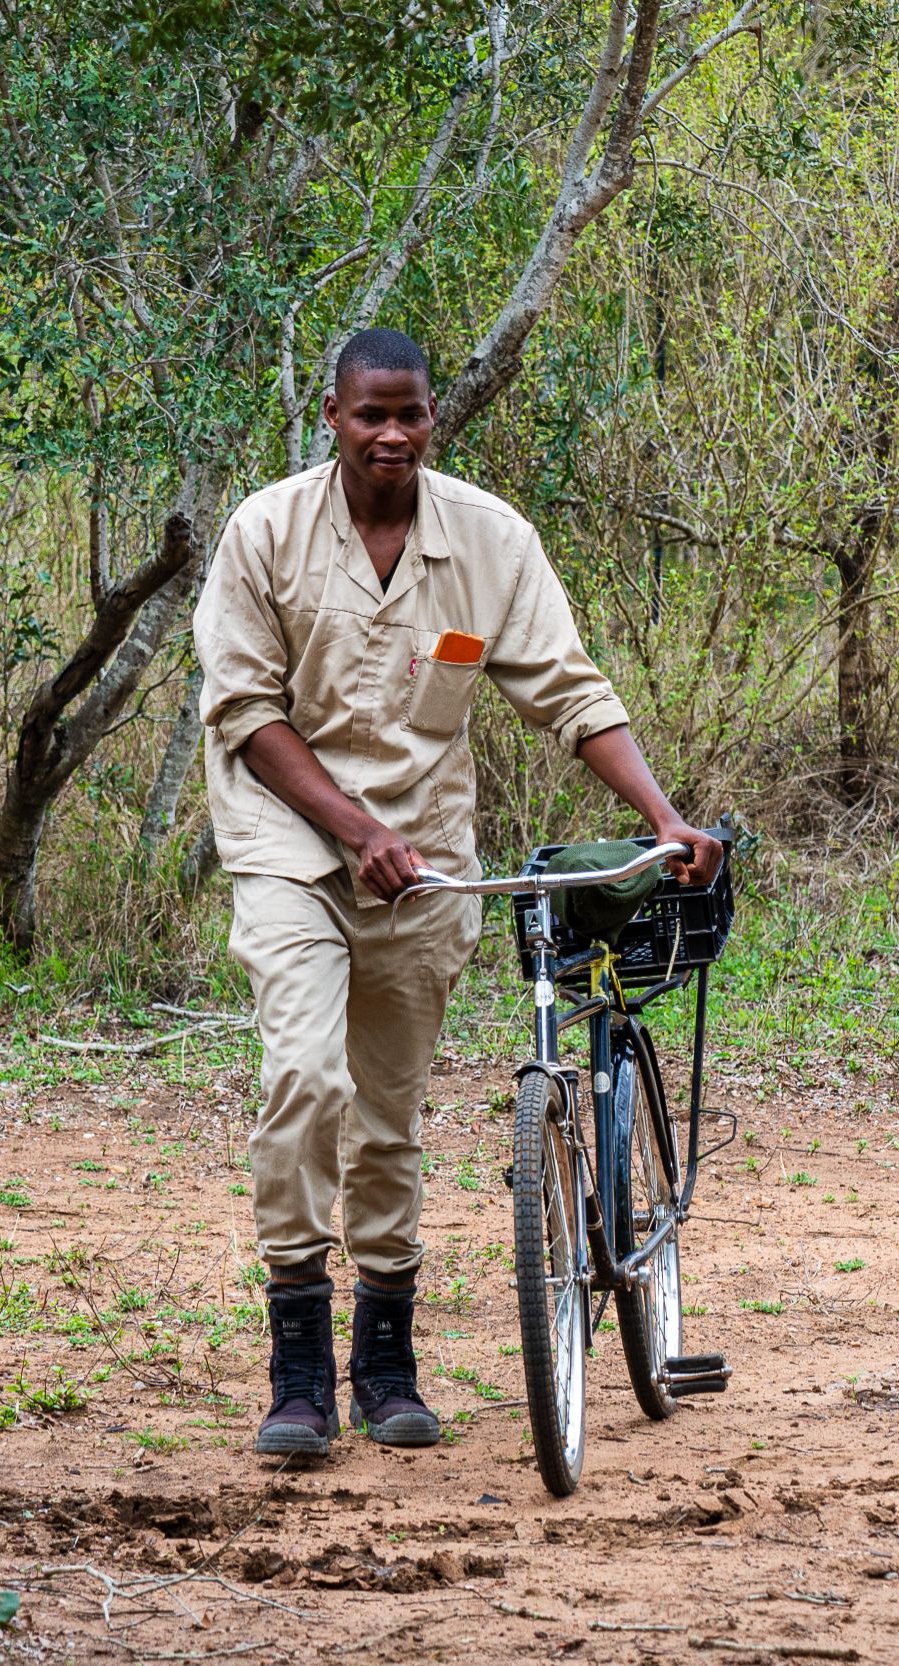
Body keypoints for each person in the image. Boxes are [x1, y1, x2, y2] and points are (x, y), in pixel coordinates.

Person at [192, 327, 723, 1458]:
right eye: (369, 414)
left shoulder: (489, 541)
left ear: (436, 420)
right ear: (331, 417)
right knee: (302, 1074)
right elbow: (243, 714)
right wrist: (350, 829)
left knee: (388, 1114)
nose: (392, 434)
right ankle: (296, 1368)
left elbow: (570, 694)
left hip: (427, 859)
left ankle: (386, 1361)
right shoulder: (266, 533)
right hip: (292, 843)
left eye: (412, 415)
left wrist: (661, 816)